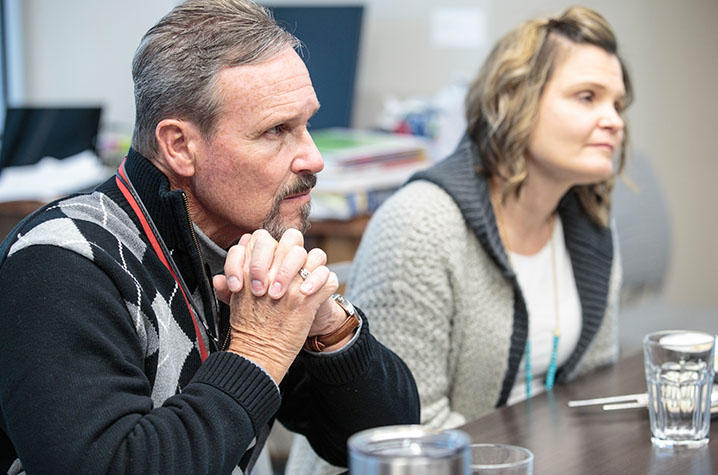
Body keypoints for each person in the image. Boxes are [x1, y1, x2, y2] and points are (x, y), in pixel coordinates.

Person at [0, 1, 419, 473]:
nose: (313, 158)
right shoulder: (61, 262)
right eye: (276, 130)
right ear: (179, 146)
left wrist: (330, 328)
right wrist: (258, 351)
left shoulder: (243, 241)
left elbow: (387, 440)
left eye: (306, 125)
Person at [289, 7, 632, 470]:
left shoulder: (588, 223)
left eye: (618, 104)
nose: (613, 120)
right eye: (587, 97)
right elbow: (407, 431)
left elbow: (590, 388)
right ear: (515, 100)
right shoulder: (422, 224)